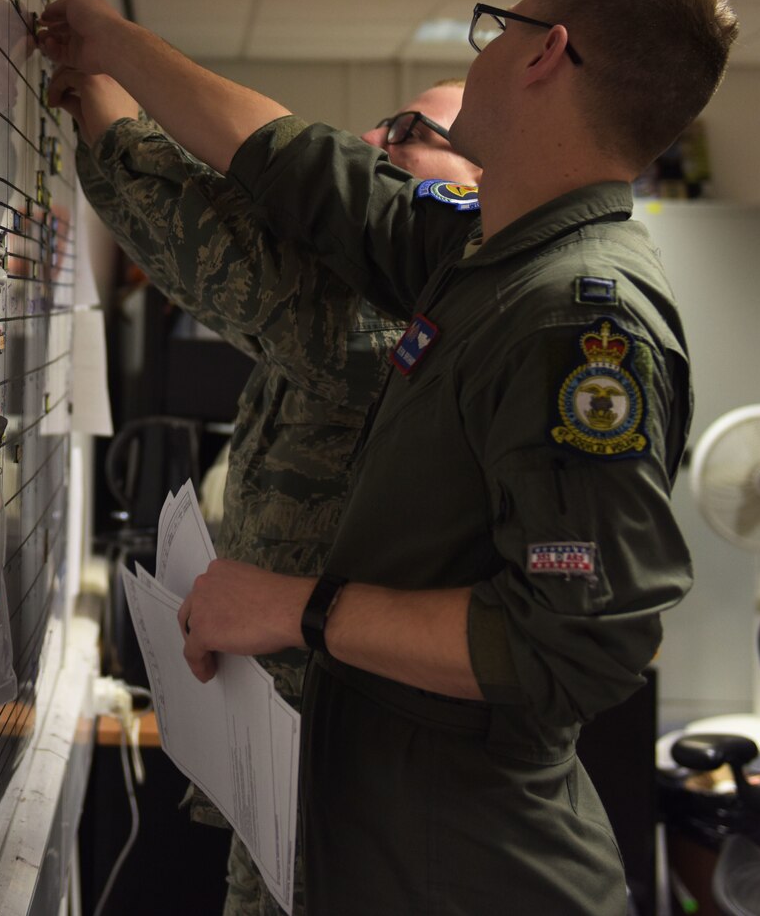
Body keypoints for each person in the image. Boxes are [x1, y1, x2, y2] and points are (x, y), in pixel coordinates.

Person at [37, 0, 736, 914]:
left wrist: (299, 607)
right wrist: (114, 45)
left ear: (545, 54)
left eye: (498, 28)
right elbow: (294, 163)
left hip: (456, 865)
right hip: (362, 823)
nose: (483, 49)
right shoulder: (480, 253)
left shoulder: (577, 317)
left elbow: (575, 642)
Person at [56, 71, 477, 916]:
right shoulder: (378, 303)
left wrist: (100, 82)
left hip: (357, 800)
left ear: (485, 187)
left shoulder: (420, 322)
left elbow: (218, 249)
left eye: (411, 131)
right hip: (287, 768)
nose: (372, 141)